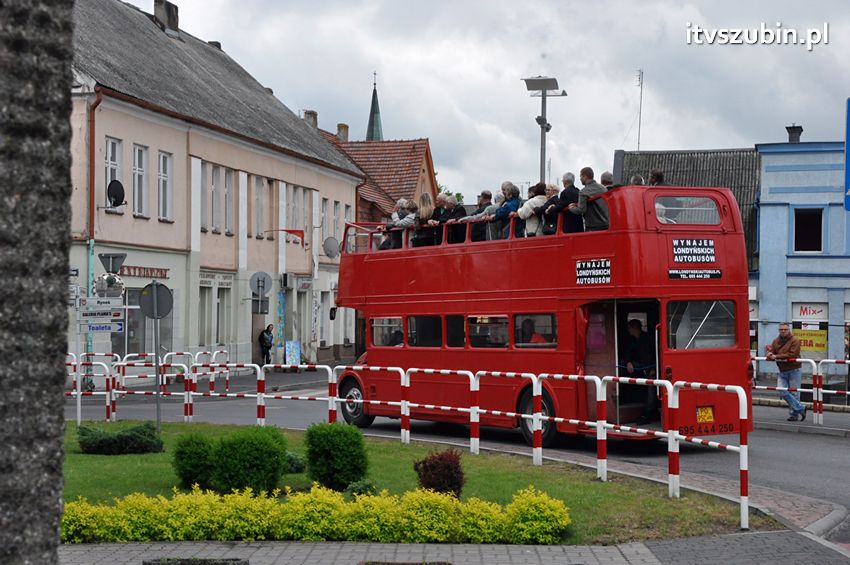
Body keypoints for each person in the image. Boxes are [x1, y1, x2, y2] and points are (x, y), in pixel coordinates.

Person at [621, 319, 658, 424]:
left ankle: (648, 415)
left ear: (635, 328)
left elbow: (655, 354)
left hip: (651, 368)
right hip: (641, 367)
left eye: (629, 328)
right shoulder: (632, 340)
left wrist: (653, 369)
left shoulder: (648, 339)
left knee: (651, 393)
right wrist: (628, 362)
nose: (628, 330)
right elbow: (628, 352)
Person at [767, 323, 806, 421]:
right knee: (782, 391)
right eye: (781, 329)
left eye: (785, 329)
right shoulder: (776, 341)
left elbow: (793, 354)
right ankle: (801, 408)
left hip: (794, 369)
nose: (783, 331)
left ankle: (793, 415)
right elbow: (772, 351)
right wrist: (770, 354)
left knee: (794, 393)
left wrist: (776, 356)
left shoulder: (795, 340)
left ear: (789, 330)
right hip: (782, 370)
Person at [568, 167, 609, 231]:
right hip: (606, 225)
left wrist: (571, 208)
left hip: (592, 227)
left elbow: (581, 210)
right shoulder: (603, 188)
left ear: (585, 176)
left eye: (580, 176)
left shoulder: (583, 191)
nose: (580, 179)